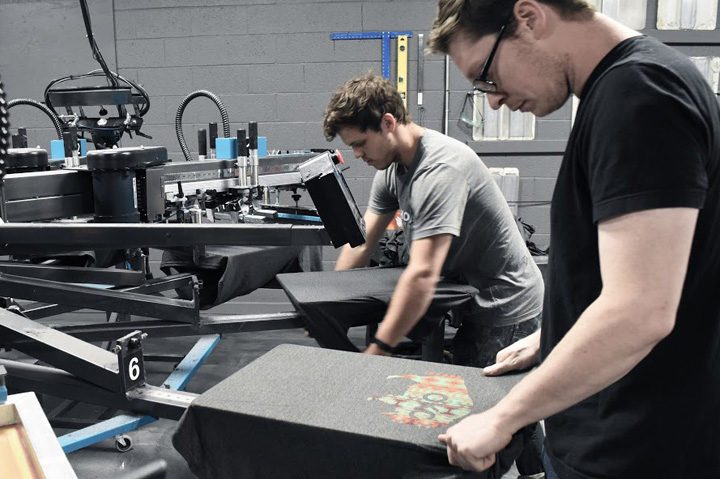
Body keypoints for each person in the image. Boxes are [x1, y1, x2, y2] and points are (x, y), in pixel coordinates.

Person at [427, 0, 720, 478]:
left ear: (529, 18)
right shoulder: (626, 87)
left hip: (635, 447)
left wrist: (503, 417)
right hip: (619, 430)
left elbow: (639, 310)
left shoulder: (640, 95)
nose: (493, 100)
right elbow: (645, 274)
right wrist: (556, 336)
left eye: (486, 74)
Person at [322, 74, 546, 478]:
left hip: (506, 301)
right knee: (513, 405)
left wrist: (378, 350)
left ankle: (524, 468)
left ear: (388, 123)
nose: (355, 154)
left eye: (359, 143)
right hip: (470, 295)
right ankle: (537, 470)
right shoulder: (392, 171)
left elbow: (423, 274)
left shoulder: (441, 168)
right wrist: (328, 304)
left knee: (475, 422)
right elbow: (360, 244)